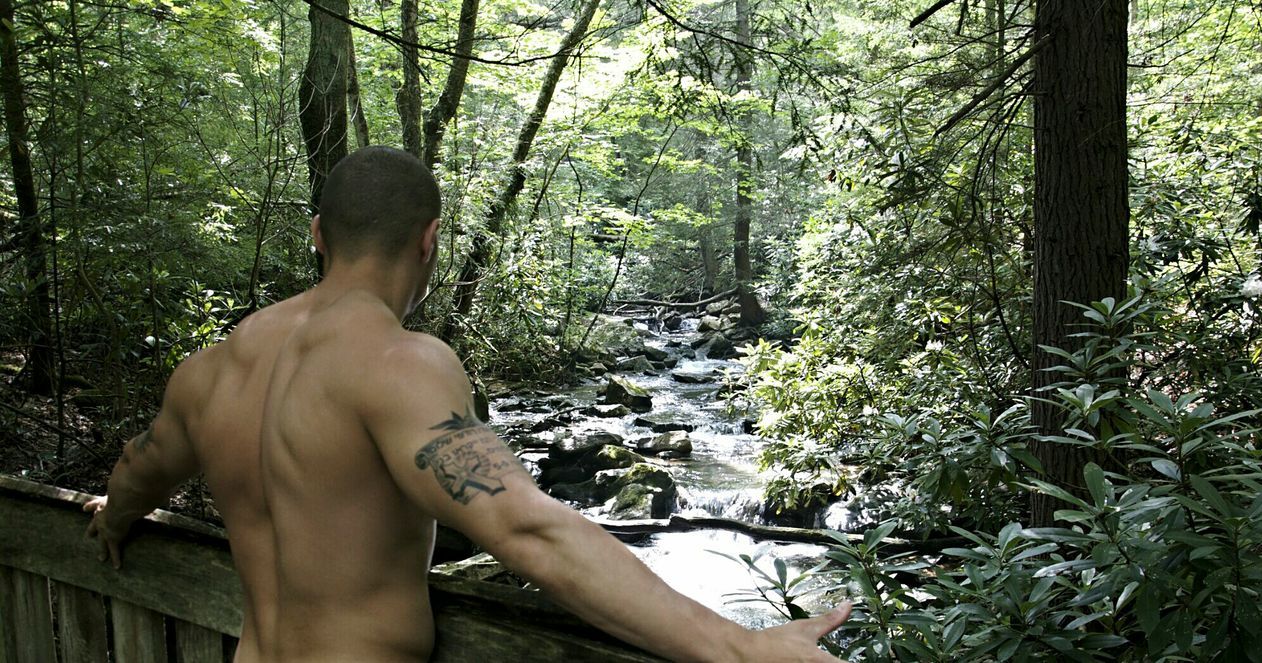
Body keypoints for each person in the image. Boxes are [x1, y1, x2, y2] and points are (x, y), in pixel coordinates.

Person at [85, 145, 851, 662]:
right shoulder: (398, 366)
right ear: (430, 240)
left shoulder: (213, 370)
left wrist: (112, 519)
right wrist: (739, 645)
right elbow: (528, 529)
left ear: (319, 235)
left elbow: (141, 468)